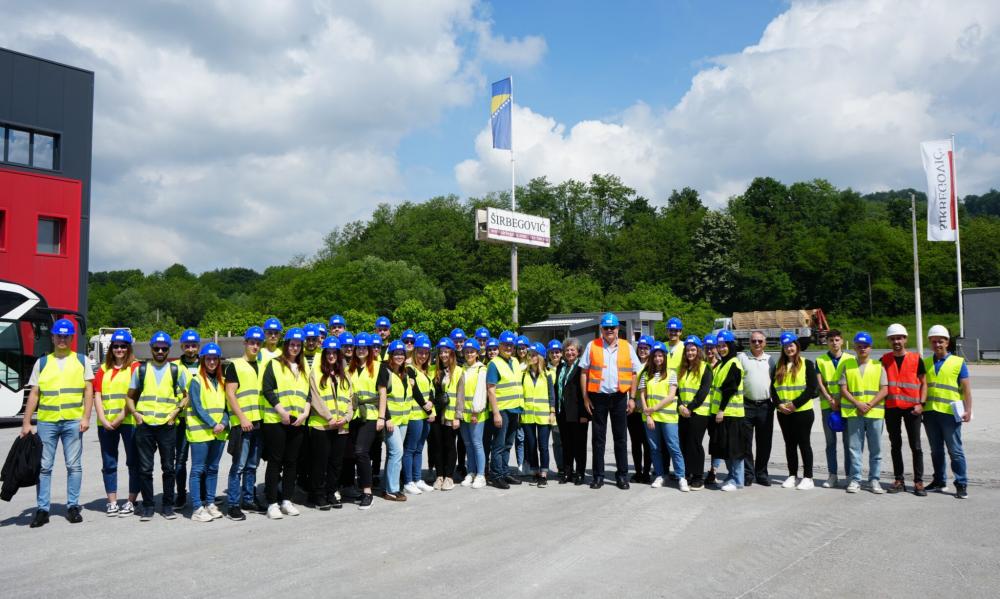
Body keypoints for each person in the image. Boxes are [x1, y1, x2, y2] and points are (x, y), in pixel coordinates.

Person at [20, 318, 93, 528]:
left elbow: (89, 390)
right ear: (52, 337)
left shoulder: (82, 361)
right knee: (43, 467)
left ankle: (73, 507)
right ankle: (42, 510)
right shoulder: (42, 363)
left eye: (66, 336)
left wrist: (86, 417)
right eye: (58, 335)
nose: (62, 339)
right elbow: (34, 393)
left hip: (73, 421)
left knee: (74, 466)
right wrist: (26, 422)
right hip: (47, 422)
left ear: (71, 338)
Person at [127, 330, 187, 521]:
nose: (160, 351)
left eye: (163, 348)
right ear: (151, 349)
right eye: (156, 348)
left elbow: (187, 397)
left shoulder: (177, 370)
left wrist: (175, 412)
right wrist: (135, 414)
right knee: (145, 469)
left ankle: (168, 506)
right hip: (145, 426)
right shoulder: (141, 370)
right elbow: (129, 397)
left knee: (168, 468)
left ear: (169, 349)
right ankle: (148, 506)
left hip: (167, 426)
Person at [579, 313, 641, 490]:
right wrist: (585, 398)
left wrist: (632, 398)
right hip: (598, 398)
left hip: (620, 396)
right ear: (601, 329)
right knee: (598, 439)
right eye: (606, 328)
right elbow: (584, 372)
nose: (609, 331)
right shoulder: (593, 345)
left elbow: (635, 372)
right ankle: (598, 476)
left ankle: (622, 475)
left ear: (617, 329)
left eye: (612, 328)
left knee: (620, 438)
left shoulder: (626, 347)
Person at [260, 327, 310, 519]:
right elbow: (268, 389)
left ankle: (286, 500)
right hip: (276, 420)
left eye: (298, 345)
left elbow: (307, 393)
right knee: (275, 462)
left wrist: (305, 413)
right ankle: (272, 503)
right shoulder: (274, 364)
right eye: (292, 344)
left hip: (297, 421)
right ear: (286, 345)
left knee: (292, 463)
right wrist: (281, 412)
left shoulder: (304, 366)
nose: (295, 348)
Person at [94, 328, 140, 517]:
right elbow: (97, 394)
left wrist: (121, 416)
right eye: (116, 346)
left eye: (123, 346)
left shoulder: (135, 367)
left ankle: (130, 501)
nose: (119, 349)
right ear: (111, 348)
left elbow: (136, 394)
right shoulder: (103, 369)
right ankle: (112, 502)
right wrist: (103, 419)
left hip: (128, 421)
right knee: (109, 463)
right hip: (105, 423)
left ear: (128, 348)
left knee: (133, 462)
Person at [923, 325, 972, 499]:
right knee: (936, 450)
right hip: (929, 413)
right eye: (934, 341)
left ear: (947, 342)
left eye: (941, 341)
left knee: (955, 450)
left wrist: (968, 410)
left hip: (950, 414)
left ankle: (961, 483)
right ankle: (939, 481)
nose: (937, 344)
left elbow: (966, 389)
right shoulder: (926, 362)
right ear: (930, 342)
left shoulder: (958, 362)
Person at [224, 326, 266, 520]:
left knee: (252, 465)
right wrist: (242, 418)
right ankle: (233, 504)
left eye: (258, 343)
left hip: (259, 422)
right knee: (238, 466)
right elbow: (230, 394)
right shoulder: (235, 365)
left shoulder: (262, 365)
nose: (255, 346)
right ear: (245, 343)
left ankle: (248, 499)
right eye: (252, 343)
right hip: (242, 423)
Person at [880, 324, 927, 496]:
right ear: (889, 341)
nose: (896, 341)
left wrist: (921, 403)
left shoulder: (916, 359)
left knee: (916, 446)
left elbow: (924, 382)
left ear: (905, 339)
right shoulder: (884, 359)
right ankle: (899, 480)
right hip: (891, 408)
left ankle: (918, 482)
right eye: (893, 338)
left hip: (912, 409)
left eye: (899, 338)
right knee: (895, 445)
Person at [839, 331, 888, 494]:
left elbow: (884, 389)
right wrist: (858, 403)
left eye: (865, 346)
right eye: (859, 346)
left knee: (876, 450)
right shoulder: (848, 365)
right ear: (854, 348)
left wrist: (870, 404)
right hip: (855, 412)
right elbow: (843, 388)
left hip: (874, 414)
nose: (862, 349)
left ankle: (874, 480)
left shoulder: (878, 366)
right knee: (854, 449)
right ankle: (855, 480)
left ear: (870, 347)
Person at [307, 337, 352, 510]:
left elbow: (350, 399)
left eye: (335, 352)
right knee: (320, 462)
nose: (332, 355)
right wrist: (329, 417)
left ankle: (331, 492)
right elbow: (315, 398)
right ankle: (318, 495)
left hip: (341, 426)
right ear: (324, 354)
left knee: (336, 463)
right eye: (329, 352)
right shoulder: (316, 373)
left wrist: (346, 418)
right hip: (322, 425)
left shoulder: (344, 374)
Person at [186, 343, 229, 522]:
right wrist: (213, 423)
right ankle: (197, 507)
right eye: (208, 358)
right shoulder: (196, 381)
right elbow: (197, 407)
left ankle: (210, 503)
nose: (212, 361)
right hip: (201, 433)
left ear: (219, 361)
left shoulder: (222, 381)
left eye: (215, 359)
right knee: (197, 470)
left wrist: (224, 422)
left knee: (212, 469)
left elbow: (227, 406)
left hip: (218, 432)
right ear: (203, 360)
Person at [771, 332, 817, 490]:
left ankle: (808, 477)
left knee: (804, 444)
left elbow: (811, 389)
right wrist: (778, 405)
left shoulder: (807, 364)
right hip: (783, 412)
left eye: (791, 345)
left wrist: (794, 405)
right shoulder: (778, 366)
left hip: (802, 411)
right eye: (785, 346)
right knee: (789, 444)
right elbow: (773, 389)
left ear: (797, 346)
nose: (788, 349)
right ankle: (792, 475)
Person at [641, 342, 688, 491]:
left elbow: (671, 396)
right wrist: (648, 415)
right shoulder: (646, 373)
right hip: (651, 418)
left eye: (660, 355)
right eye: (655, 356)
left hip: (668, 418)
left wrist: (653, 409)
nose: (657, 358)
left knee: (674, 447)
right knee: (655, 448)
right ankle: (660, 475)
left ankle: (681, 476)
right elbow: (643, 396)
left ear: (665, 357)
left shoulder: (671, 373)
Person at [814, 329, 854, 489]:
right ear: (827, 342)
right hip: (828, 405)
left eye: (837, 340)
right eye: (831, 340)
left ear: (842, 341)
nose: (834, 343)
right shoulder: (821, 360)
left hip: (847, 405)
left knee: (848, 442)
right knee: (830, 442)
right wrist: (830, 399)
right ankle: (832, 475)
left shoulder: (850, 359)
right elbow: (820, 383)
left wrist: (840, 400)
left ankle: (850, 475)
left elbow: (852, 382)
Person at [675, 335, 713, 491]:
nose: (690, 353)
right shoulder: (681, 369)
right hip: (682, 412)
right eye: (688, 350)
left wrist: (689, 408)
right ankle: (688, 473)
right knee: (684, 444)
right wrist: (680, 407)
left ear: (698, 351)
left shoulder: (705, 368)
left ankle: (698, 477)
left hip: (699, 412)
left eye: (693, 349)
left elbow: (703, 392)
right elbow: (676, 391)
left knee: (695, 444)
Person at [486, 330, 524, 489]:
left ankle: (504, 471)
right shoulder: (494, 363)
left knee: (508, 444)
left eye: (511, 345)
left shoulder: (514, 361)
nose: (508, 347)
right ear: (499, 345)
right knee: (499, 445)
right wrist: (496, 413)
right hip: (501, 410)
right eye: (505, 345)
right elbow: (491, 390)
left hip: (515, 408)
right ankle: (496, 475)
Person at [738, 329, 776, 486]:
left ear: (765, 343)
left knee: (764, 442)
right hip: (747, 405)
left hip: (765, 406)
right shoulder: (742, 358)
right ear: (749, 342)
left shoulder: (770, 360)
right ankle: (748, 473)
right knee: (746, 442)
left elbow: (775, 383)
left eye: (760, 341)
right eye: (754, 341)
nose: (757, 343)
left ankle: (761, 473)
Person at [709, 331, 745, 492]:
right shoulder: (723, 363)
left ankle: (737, 480)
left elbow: (729, 389)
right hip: (724, 413)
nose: (721, 349)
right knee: (727, 449)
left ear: (731, 346)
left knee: (734, 449)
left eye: (724, 346)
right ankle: (731, 477)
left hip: (732, 413)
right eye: (719, 346)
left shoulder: (733, 363)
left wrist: (721, 410)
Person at [349, 332, 380, 509]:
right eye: (358, 347)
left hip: (371, 415)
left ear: (369, 350)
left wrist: (382, 417)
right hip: (353, 416)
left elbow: (383, 394)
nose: (361, 350)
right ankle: (357, 486)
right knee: (354, 453)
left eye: (364, 348)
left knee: (361, 451)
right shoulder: (349, 369)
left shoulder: (377, 367)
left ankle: (367, 492)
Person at [403, 334, 436, 495]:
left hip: (424, 415)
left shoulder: (425, 370)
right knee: (410, 449)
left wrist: (430, 402)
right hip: (415, 415)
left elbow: (431, 390)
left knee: (419, 448)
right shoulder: (409, 368)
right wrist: (426, 406)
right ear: (415, 352)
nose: (423, 355)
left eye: (426, 353)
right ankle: (408, 481)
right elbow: (414, 391)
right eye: (420, 352)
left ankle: (417, 479)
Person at [378, 340, 410, 502]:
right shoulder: (385, 371)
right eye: (396, 354)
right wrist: (387, 418)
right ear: (390, 355)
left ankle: (387, 486)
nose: (399, 356)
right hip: (391, 421)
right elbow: (381, 396)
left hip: (403, 419)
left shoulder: (404, 373)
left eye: (401, 354)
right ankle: (392, 489)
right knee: (397, 452)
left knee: (394, 454)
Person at [521, 342, 555, 487]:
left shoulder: (547, 374)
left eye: (534, 355)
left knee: (543, 446)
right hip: (528, 415)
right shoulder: (524, 374)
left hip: (543, 416)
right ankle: (535, 471)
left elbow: (551, 395)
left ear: (540, 357)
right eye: (530, 355)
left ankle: (543, 474)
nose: (531, 357)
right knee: (531, 445)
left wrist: (552, 411)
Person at [173, 328, 201, 509]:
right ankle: (181, 495)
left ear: (198, 347)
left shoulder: (207, 363)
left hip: (201, 420)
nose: (190, 349)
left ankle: (205, 494)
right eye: (187, 345)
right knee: (181, 460)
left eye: (194, 345)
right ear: (182, 346)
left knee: (201, 461)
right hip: (182, 420)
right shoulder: (174, 367)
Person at [554, 338, 588, 485]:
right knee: (566, 444)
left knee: (579, 445)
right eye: (567, 350)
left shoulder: (582, 368)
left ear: (578, 351)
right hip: (563, 413)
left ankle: (580, 473)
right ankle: (568, 472)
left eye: (572, 349)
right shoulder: (560, 368)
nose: (569, 352)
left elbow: (585, 393)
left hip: (578, 413)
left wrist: (585, 414)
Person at [430, 338, 461, 490]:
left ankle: (449, 477)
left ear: (452, 353)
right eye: (441, 352)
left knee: (449, 445)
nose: (443, 355)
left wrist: (457, 416)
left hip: (450, 415)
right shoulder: (433, 370)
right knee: (437, 445)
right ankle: (439, 476)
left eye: (446, 352)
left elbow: (460, 396)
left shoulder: (459, 371)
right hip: (435, 414)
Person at [459, 339, 488, 488]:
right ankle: (471, 472)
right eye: (467, 351)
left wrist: (476, 411)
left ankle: (481, 475)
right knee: (468, 444)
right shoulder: (462, 368)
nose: (469, 354)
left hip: (477, 413)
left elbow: (481, 392)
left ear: (477, 353)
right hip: (464, 414)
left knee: (477, 444)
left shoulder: (481, 369)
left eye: (472, 351)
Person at [627, 335, 653, 484]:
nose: (642, 350)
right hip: (632, 410)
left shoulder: (653, 366)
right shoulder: (632, 364)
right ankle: (637, 471)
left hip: (646, 410)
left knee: (647, 443)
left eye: (646, 348)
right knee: (635, 443)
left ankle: (646, 472)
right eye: (641, 348)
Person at [546, 339, 564, 477]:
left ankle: (568, 466)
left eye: (557, 352)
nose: (555, 354)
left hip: (564, 410)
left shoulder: (565, 367)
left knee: (566, 441)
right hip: (549, 411)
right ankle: (561, 468)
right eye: (552, 352)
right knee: (557, 442)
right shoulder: (544, 369)